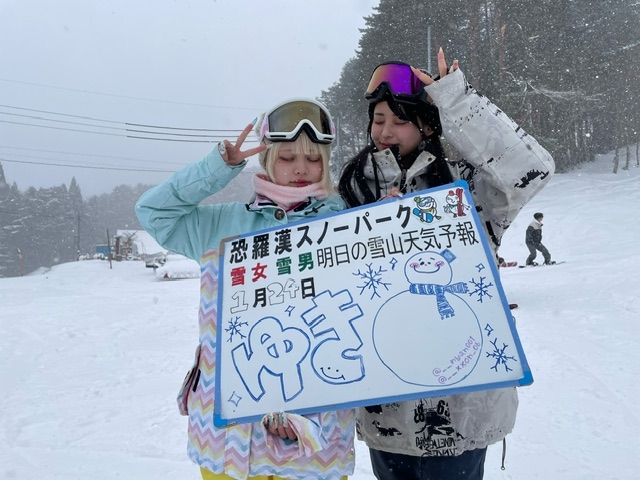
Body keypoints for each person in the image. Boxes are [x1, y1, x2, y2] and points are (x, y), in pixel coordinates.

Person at [338, 48, 555, 480]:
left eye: (400, 120)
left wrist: (457, 100)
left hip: (461, 411)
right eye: (378, 120)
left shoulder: (468, 187)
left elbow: (532, 168)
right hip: (386, 414)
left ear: (427, 125)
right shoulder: (350, 197)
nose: (385, 131)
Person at [136, 98, 355, 480]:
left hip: (311, 446)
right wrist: (218, 167)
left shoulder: (348, 224)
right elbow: (154, 213)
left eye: (314, 158)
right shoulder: (224, 224)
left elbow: (354, 326)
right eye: (287, 157)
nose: (302, 168)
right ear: (267, 158)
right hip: (225, 442)